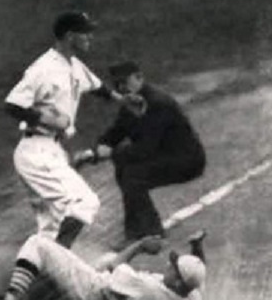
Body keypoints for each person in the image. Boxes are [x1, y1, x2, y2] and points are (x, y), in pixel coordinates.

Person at [4, 11, 129, 249]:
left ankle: (35, 275)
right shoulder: (42, 68)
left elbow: (97, 86)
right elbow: (12, 104)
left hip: (51, 151)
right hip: (36, 151)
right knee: (84, 203)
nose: (90, 37)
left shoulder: (73, 64)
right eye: (85, 33)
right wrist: (46, 118)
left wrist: (121, 99)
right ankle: (58, 262)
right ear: (71, 36)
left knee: (51, 226)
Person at [73, 60, 206, 247]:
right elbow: (116, 132)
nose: (121, 88)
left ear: (139, 78)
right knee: (125, 169)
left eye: (124, 82)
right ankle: (136, 231)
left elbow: (145, 149)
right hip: (166, 156)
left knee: (133, 175)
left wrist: (111, 153)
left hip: (187, 160)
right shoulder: (132, 101)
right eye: (117, 84)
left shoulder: (158, 103)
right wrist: (93, 151)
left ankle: (152, 232)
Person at [0, 228, 208, 300]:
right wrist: (197, 248)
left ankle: (12, 298)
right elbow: (198, 277)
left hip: (93, 296)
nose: (169, 265)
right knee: (104, 255)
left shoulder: (149, 287)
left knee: (38, 243)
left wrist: (141, 245)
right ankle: (40, 297)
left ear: (179, 281)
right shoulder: (190, 299)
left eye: (174, 268)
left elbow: (114, 266)